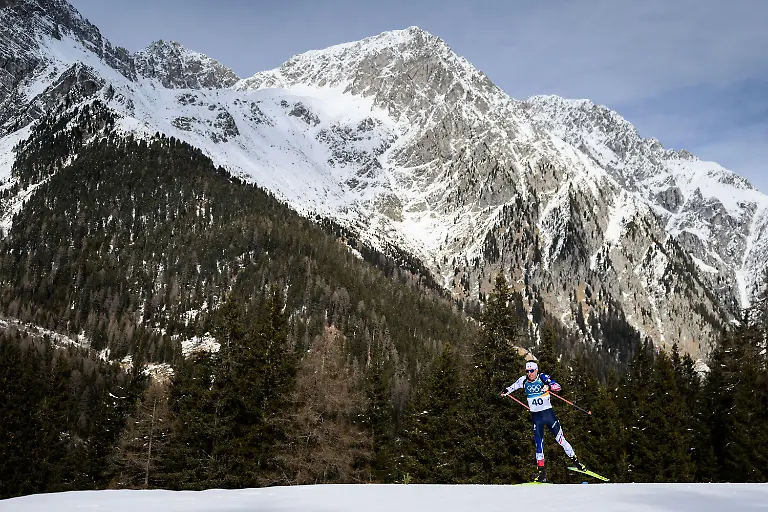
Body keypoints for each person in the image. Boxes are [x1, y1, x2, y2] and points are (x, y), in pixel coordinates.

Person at [501, 360, 584, 482]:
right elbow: (512, 387)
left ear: (536, 370)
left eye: (531, 371)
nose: (529, 374)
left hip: (549, 415)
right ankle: (541, 473)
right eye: (527, 371)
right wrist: (505, 391)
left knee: (561, 440)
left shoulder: (542, 377)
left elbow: (558, 386)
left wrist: (548, 386)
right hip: (536, 417)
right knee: (539, 445)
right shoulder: (523, 380)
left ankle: (575, 461)